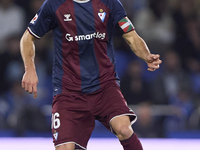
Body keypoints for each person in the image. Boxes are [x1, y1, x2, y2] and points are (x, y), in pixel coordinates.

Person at [20, 0, 162, 150]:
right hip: (69, 92)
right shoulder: (54, 4)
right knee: (65, 148)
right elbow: (27, 38)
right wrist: (30, 69)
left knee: (124, 129)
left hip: (104, 86)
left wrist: (146, 55)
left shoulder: (110, 3)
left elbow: (131, 35)